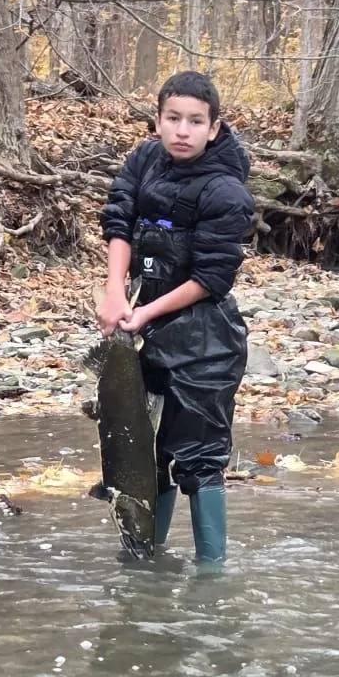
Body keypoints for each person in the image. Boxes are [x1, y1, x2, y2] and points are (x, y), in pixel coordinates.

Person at [97, 71, 254, 563]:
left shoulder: (227, 191)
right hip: (146, 330)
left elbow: (213, 277)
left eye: (195, 121)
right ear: (158, 120)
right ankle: (146, 565)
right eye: (173, 119)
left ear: (214, 128)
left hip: (207, 340)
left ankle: (211, 582)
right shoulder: (144, 159)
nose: (182, 131)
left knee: (200, 461)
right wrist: (114, 295)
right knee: (149, 457)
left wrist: (144, 313)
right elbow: (119, 219)